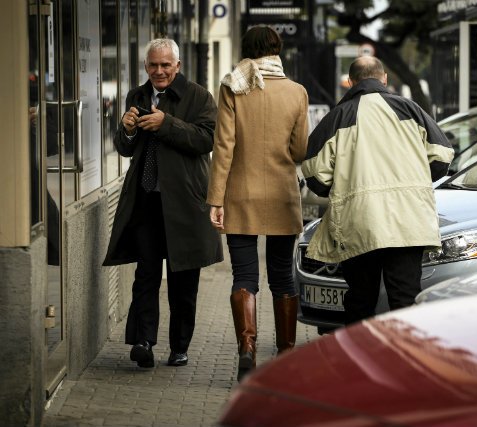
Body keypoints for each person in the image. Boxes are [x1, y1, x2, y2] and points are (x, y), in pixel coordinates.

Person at [301, 56, 454, 325]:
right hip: (409, 220)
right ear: (384, 79)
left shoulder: (338, 116)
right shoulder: (412, 109)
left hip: (360, 221)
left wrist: (338, 186)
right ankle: (405, 359)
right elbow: (442, 158)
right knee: (405, 299)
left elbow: (314, 173)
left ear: (351, 82)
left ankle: (361, 359)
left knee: (361, 299)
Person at [103, 38, 223, 368]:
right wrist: (126, 131)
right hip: (146, 202)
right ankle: (143, 341)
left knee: (184, 279)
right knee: (146, 275)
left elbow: (207, 139)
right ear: (146, 66)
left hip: (184, 203)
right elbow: (126, 149)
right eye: (153, 65)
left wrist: (165, 124)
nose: (159, 71)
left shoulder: (199, 96)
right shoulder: (136, 96)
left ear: (178, 66)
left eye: (165, 65)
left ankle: (179, 346)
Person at [207, 26, 308, 381]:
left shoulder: (233, 86)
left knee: (245, 275)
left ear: (246, 51)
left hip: (240, 193)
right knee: (282, 276)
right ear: (277, 51)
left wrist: (216, 198)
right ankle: (285, 355)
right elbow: (299, 151)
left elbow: (224, 146)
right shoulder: (297, 92)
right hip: (282, 195)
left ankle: (247, 347)